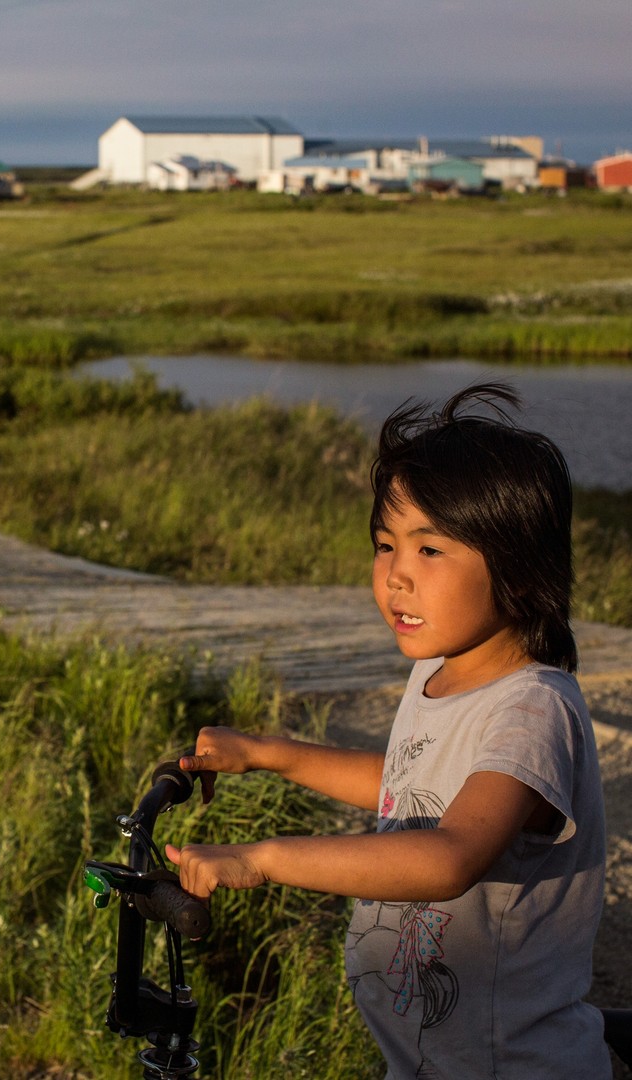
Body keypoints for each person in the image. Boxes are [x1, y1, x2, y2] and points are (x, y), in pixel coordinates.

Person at [164, 383, 610, 1079]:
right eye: (384, 544)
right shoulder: (437, 672)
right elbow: (412, 786)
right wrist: (269, 753)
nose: (395, 575)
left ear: (519, 568)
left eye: (430, 550)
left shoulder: (533, 708)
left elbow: (450, 853)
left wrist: (263, 857)